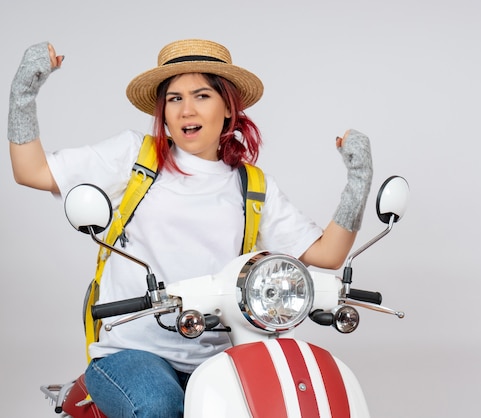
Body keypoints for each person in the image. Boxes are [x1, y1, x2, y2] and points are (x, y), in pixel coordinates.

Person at [8, 39, 373, 417]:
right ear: (162, 111)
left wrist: (358, 181)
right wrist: (25, 90)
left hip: (218, 355)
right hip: (132, 353)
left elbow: (328, 254)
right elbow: (31, 172)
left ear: (228, 105)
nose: (187, 110)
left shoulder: (252, 185)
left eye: (201, 95)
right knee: (160, 407)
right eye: (174, 99)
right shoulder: (136, 157)